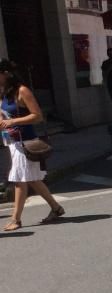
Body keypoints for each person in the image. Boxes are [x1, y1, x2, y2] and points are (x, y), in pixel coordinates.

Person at [0, 60, 65, 231]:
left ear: (6, 74)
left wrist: (13, 121)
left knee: (20, 180)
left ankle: (16, 219)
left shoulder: (22, 91)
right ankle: (56, 208)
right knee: (33, 179)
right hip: (12, 142)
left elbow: (37, 116)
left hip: (25, 142)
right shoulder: (4, 93)